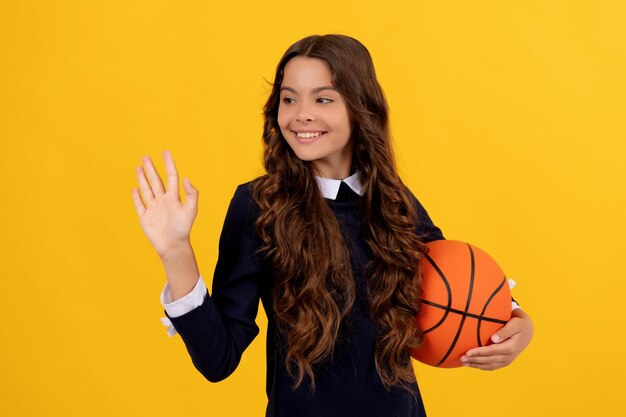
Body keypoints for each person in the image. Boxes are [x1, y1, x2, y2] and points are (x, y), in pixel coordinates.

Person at [132, 34, 533, 417]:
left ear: (362, 108)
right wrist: (176, 253)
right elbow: (217, 360)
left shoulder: (395, 202)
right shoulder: (258, 206)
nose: (301, 114)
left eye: (322, 98)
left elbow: (455, 281)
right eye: (289, 99)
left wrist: (516, 323)